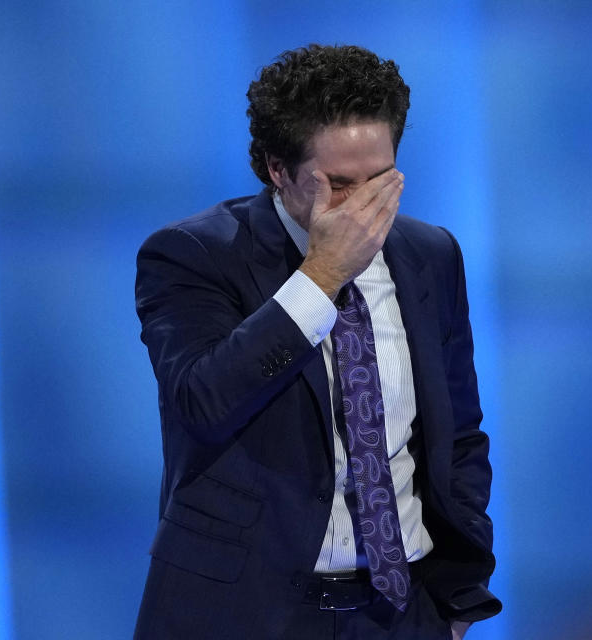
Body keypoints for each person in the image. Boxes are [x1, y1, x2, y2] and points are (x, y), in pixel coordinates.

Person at [132, 44, 500, 639]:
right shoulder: (194, 256)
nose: (363, 209)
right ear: (278, 170)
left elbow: (458, 436)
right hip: (248, 615)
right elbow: (204, 403)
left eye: (381, 181)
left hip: (401, 614)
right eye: (339, 184)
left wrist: (456, 601)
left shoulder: (430, 255)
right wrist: (323, 274)